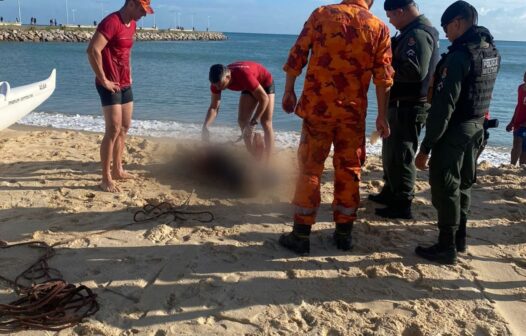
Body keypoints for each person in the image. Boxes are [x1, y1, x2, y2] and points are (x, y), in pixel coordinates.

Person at [279, 0, 394, 255]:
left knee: (310, 168)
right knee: (350, 169)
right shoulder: (379, 27)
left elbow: (297, 55)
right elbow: (384, 78)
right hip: (352, 114)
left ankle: (301, 234)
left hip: (318, 109)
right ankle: (344, 234)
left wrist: (288, 91)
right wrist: (382, 116)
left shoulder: (322, 14)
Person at [415, 1, 500, 264]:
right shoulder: (491, 51)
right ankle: (460, 238)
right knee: (464, 183)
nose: (446, 33)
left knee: (446, 185)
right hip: (477, 128)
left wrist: (427, 147)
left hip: (455, 131)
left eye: (446, 27)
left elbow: (444, 108)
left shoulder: (460, 57)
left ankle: (446, 246)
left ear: (459, 22)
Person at [371, 0, 439, 219]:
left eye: (390, 16)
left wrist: (384, 68)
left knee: (402, 153)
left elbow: (414, 71)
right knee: (391, 152)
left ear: (401, 11)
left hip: (409, 105)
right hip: (400, 103)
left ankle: (402, 202)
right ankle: (390, 190)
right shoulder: (409, 32)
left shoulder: (417, 34)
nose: (389, 20)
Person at [86, 0, 153, 192]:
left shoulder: (132, 24)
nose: (145, 14)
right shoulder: (111, 22)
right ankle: (105, 177)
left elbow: (125, 51)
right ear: (131, 4)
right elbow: (92, 50)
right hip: (109, 85)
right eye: (142, 9)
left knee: (124, 127)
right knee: (113, 129)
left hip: (125, 83)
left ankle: (118, 170)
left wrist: (129, 73)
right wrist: (104, 79)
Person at [202, 62, 275, 163]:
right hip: (249, 86)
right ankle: (256, 157)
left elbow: (264, 99)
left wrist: (253, 122)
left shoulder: (243, 75)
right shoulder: (216, 83)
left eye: (220, 85)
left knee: (266, 123)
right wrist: (205, 126)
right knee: (242, 121)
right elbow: (214, 108)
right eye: (215, 85)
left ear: (228, 77)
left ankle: (268, 162)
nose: (218, 88)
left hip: (264, 81)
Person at [506, 71, 526, 165]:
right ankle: (512, 166)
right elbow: (519, 106)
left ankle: (521, 168)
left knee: (524, 150)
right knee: (517, 145)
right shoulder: (521, 88)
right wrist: (512, 122)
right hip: (518, 122)